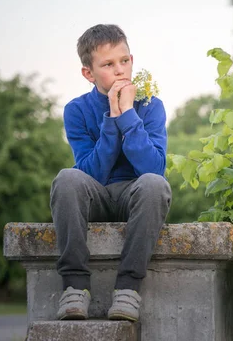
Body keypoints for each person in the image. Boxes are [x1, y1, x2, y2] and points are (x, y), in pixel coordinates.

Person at [50, 24, 171, 321]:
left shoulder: (151, 106)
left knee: (155, 185)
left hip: (136, 196)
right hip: (97, 195)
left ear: (132, 59)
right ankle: (75, 287)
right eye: (108, 64)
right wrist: (112, 118)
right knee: (67, 178)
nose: (120, 71)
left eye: (124, 61)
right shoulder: (76, 110)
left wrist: (129, 114)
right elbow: (93, 173)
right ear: (88, 73)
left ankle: (128, 289)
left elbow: (154, 169)